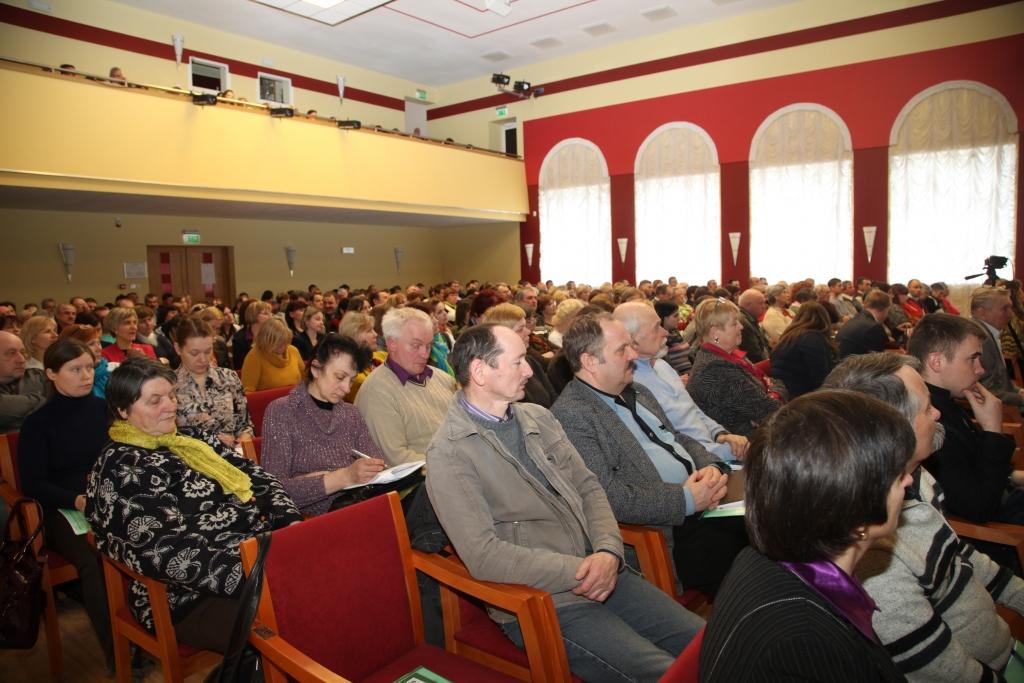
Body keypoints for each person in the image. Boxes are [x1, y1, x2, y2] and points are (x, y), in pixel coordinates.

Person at [427, 324, 704, 681]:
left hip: (603, 571)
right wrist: (581, 569)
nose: (529, 370)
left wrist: (607, 550)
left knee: (706, 640)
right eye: (517, 363)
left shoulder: (537, 417)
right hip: (543, 599)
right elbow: (484, 555)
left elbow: (590, 487)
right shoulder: (450, 453)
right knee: (665, 673)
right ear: (480, 372)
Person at [826, 352, 1024, 681]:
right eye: (926, 407)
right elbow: (939, 667)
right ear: (895, 430)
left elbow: (958, 554)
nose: (938, 413)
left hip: (1004, 648)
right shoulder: (872, 549)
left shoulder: (917, 477)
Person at [84, 358, 302, 653]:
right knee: (298, 622)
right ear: (123, 411)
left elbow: (260, 478)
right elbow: (166, 554)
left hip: (257, 554)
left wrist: (291, 525)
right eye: (155, 400)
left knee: (330, 588)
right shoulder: (124, 467)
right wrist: (259, 573)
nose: (170, 406)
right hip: (187, 596)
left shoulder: (192, 439)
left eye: (171, 396)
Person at [699, 390, 912, 682]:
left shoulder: (764, 558)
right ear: (855, 508)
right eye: (897, 474)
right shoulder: (806, 637)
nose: (909, 480)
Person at [552, 313, 745, 596]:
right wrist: (687, 500)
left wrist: (711, 465)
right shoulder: (572, 416)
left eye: (632, 345)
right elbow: (606, 497)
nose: (633, 355)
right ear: (589, 361)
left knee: (775, 511)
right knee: (758, 547)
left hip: (705, 499)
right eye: (622, 350)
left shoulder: (636, 390)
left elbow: (677, 437)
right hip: (667, 531)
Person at [17, 339, 113, 666]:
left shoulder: (103, 409)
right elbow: (32, 483)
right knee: (93, 559)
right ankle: (121, 652)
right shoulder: (37, 423)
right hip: (63, 509)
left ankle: (152, 629)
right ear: (51, 374)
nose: (86, 375)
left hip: (106, 500)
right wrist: (76, 499)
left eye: (89, 367)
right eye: (75, 370)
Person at [906, 313, 1022, 524]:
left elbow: (978, 468)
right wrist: (992, 430)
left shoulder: (947, 402)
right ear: (936, 361)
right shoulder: (928, 421)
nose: (980, 369)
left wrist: (1013, 477)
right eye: (972, 359)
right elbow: (979, 508)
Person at [261, 334, 386, 516]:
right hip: (319, 520)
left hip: (360, 505)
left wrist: (315, 478)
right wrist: (344, 476)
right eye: (340, 377)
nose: (347, 389)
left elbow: (376, 467)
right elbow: (275, 492)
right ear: (316, 369)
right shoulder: (282, 411)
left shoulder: (351, 413)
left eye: (351, 380)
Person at [615, 302, 748, 462]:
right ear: (632, 338)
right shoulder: (631, 385)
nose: (666, 332)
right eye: (657, 327)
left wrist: (721, 434)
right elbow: (670, 443)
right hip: (699, 462)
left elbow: (693, 410)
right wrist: (722, 452)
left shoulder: (663, 366)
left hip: (713, 449)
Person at [355, 307, 456, 465]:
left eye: (429, 346)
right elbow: (396, 460)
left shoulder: (443, 379)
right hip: (423, 483)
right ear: (391, 343)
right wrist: (457, 465)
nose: (425, 354)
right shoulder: (377, 392)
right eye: (416, 346)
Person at [687, 298, 783, 436]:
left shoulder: (731, 356)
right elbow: (773, 411)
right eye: (734, 323)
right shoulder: (716, 369)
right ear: (715, 333)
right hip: (748, 446)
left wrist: (771, 392)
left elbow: (776, 384)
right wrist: (771, 392)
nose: (741, 327)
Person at [173, 318, 253, 447]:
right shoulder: (169, 385)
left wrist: (243, 439)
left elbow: (244, 425)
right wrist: (212, 442)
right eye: (194, 353)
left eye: (207, 351)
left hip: (233, 455)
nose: (203, 359)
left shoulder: (229, 377)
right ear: (178, 348)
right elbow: (167, 438)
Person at [480, 303, 557, 408]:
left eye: (525, 326)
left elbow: (554, 398)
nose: (528, 331)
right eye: (520, 329)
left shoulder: (530, 361)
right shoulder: (498, 376)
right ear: (502, 335)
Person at [769, 301, 837, 398]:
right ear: (825, 319)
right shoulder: (812, 338)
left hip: (785, 391)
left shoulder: (789, 335)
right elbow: (821, 379)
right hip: (800, 396)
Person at [971, 285, 1024, 406]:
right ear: (982, 312)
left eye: (1011, 308)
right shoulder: (980, 340)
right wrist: (1019, 398)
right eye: (1005, 309)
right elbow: (985, 391)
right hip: (1002, 411)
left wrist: (1018, 391)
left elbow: (999, 382)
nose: (1011, 315)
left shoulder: (988, 332)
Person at [240, 318, 305, 392]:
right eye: (279, 343)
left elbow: (305, 378)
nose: (284, 346)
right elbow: (248, 391)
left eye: (286, 342)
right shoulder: (254, 356)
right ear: (267, 341)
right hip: (267, 402)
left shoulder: (293, 350)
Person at [0, 330, 47, 430]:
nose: (21, 360)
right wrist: (39, 400)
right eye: (11, 353)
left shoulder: (38, 376)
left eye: (22, 352)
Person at [338, 310, 387, 403]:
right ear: (354, 335)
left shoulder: (380, 355)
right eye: (369, 331)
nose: (375, 334)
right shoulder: (352, 376)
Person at [60, 323, 111, 398]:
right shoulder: (66, 384)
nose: (99, 348)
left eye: (98, 343)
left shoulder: (113, 372)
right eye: (91, 344)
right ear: (73, 349)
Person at [837, 290, 892, 358]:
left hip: (844, 365)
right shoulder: (874, 328)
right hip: (857, 367)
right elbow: (878, 362)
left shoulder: (855, 319)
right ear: (884, 309)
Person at [231, 300, 272, 371]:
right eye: (265, 313)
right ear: (254, 315)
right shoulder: (240, 337)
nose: (271, 316)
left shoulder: (272, 334)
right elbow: (239, 365)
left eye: (270, 313)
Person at [20, 314, 59, 385]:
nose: (55, 335)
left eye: (54, 331)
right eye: (48, 331)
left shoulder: (58, 362)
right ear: (32, 338)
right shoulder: (28, 371)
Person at [736, 289, 770, 363]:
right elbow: (755, 355)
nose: (764, 306)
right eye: (761, 303)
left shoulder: (750, 318)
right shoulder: (743, 322)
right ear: (748, 304)